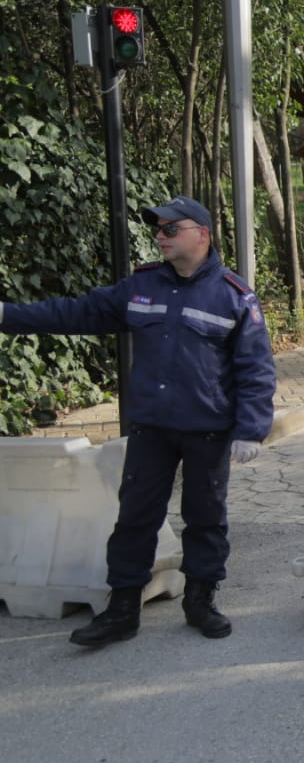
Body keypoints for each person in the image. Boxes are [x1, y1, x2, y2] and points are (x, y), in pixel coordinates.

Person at [0, 195, 276, 647]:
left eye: (171, 229)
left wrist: (251, 428)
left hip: (207, 427)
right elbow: (77, 312)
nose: (160, 236)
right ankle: (122, 610)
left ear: (202, 234)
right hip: (152, 426)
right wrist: (7, 316)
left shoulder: (233, 295)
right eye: (158, 229)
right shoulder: (142, 286)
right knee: (134, 518)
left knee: (205, 518)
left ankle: (201, 600)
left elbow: (256, 367)